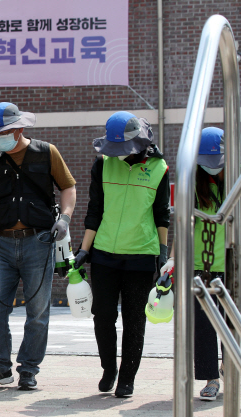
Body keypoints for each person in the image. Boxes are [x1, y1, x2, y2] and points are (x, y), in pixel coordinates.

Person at [0, 102, 76, 390]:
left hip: (39, 241)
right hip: (0, 245)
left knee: (37, 310)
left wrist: (64, 219)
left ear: (19, 128)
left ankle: (29, 369)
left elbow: (68, 187)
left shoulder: (47, 153)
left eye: (2, 132)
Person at [74, 111, 170, 398]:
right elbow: (95, 211)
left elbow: (161, 214)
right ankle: (108, 368)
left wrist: (163, 253)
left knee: (134, 319)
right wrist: (84, 249)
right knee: (102, 315)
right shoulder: (102, 163)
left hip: (141, 255)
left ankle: (127, 377)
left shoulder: (159, 168)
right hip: (104, 254)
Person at [161, 127, 225, 401]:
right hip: (200, 267)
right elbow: (183, 226)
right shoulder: (192, 186)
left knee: (232, 324)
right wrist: (173, 258)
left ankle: (229, 364)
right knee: (204, 327)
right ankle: (212, 377)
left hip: (231, 264)